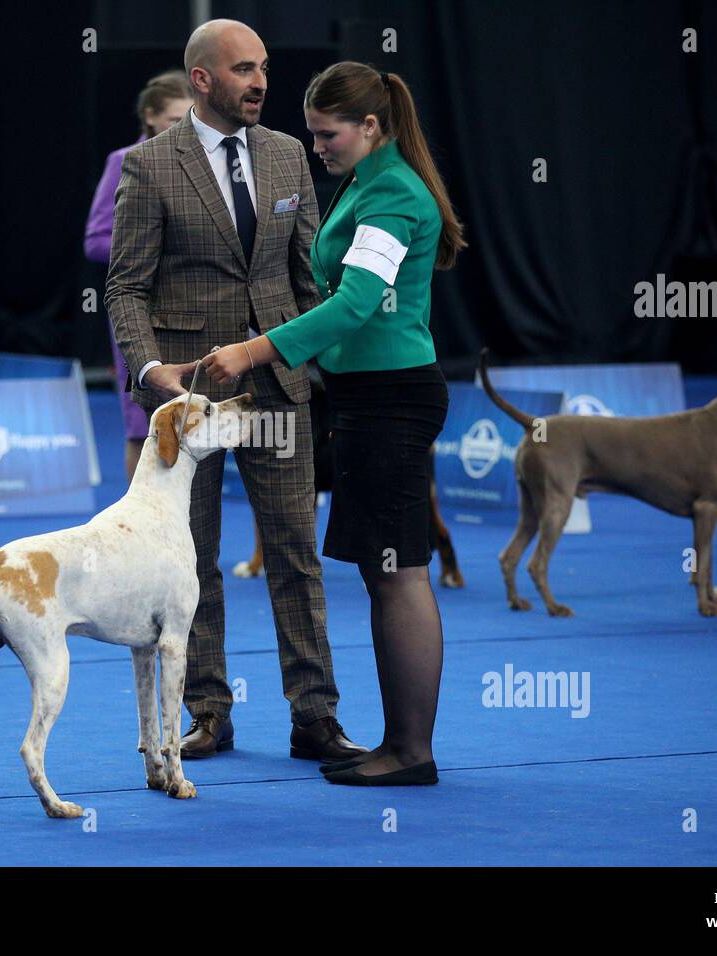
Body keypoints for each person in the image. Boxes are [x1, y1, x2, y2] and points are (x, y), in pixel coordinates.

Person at [106, 19, 366, 763]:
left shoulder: (287, 155)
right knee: (191, 558)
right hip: (188, 407)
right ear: (202, 80)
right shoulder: (149, 165)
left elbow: (310, 278)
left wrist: (316, 363)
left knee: (295, 552)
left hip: (278, 390)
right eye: (243, 69)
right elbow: (125, 287)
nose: (259, 82)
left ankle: (315, 715)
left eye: (263, 67)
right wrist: (153, 374)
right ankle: (208, 711)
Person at [202, 62, 465, 786]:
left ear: (372, 127)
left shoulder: (391, 196)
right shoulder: (369, 182)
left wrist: (254, 350)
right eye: (313, 135)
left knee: (400, 574)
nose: (317, 147)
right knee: (388, 575)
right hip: (365, 399)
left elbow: (354, 306)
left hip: (392, 401)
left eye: (328, 135)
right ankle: (402, 744)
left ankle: (410, 751)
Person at [85, 71, 192, 482]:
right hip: (140, 312)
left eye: (190, 118)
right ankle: (137, 536)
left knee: (192, 418)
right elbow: (95, 240)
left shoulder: (209, 162)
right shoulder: (125, 161)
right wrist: (155, 250)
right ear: (149, 117)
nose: (181, 128)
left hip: (195, 307)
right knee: (141, 425)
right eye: (172, 119)